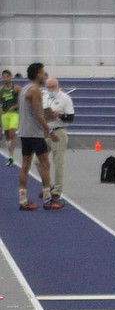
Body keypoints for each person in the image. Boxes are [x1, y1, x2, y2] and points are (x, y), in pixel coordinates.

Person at [16, 63, 63, 211]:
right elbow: (37, 113)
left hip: (24, 131)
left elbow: (33, 112)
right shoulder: (35, 90)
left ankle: (23, 200)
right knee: (45, 164)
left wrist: (46, 116)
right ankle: (48, 199)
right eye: (43, 73)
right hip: (34, 133)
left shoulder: (25, 89)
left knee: (25, 165)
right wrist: (49, 130)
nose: (45, 75)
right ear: (37, 74)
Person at [43, 77, 74, 202]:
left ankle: (57, 191)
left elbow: (71, 117)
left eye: (53, 87)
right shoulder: (44, 97)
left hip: (58, 131)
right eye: (48, 87)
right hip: (46, 132)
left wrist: (59, 115)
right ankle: (49, 185)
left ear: (58, 86)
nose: (50, 90)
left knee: (58, 162)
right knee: (38, 161)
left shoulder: (65, 98)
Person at [1, 69, 22, 166]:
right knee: (7, 135)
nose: (5, 78)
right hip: (4, 114)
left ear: (10, 77)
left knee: (12, 133)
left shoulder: (16, 88)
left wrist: (14, 106)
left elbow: (22, 100)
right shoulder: (1, 90)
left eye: (7, 76)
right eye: (3, 77)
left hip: (14, 114)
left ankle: (11, 156)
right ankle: (10, 156)